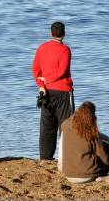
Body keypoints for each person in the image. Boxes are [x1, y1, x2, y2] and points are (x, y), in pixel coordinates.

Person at [32, 21, 74, 160]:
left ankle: (45, 157)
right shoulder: (65, 50)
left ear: (50, 33)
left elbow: (35, 70)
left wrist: (42, 83)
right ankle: (66, 157)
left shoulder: (41, 48)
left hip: (46, 91)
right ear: (64, 34)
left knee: (47, 125)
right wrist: (48, 81)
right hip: (62, 91)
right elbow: (62, 71)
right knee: (66, 125)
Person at [58, 101, 109, 183]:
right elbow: (103, 156)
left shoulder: (66, 124)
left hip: (68, 174)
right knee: (105, 153)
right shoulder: (90, 131)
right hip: (86, 175)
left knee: (103, 144)